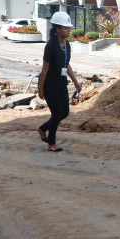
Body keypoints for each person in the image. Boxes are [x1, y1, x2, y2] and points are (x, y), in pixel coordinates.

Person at [37, 11, 82, 152]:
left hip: (61, 83)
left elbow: (66, 64)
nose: (69, 30)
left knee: (65, 113)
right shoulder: (50, 46)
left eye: (69, 28)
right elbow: (45, 69)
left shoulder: (67, 45)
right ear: (57, 29)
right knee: (57, 114)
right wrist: (41, 88)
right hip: (50, 84)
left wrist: (75, 81)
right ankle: (51, 143)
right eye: (66, 28)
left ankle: (43, 128)